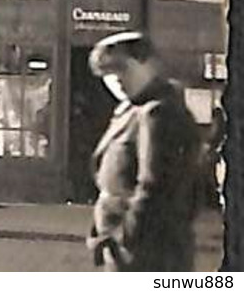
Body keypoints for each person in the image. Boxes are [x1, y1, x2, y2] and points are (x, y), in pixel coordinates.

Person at [85, 31, 201, 272]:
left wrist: (126, 236)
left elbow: (155, 186)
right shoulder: (130, 109)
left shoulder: (159, 112)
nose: (115, 79)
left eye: (121, 68)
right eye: (106, 73)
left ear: (147, 63)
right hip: (127, 250)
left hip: (148, 253)